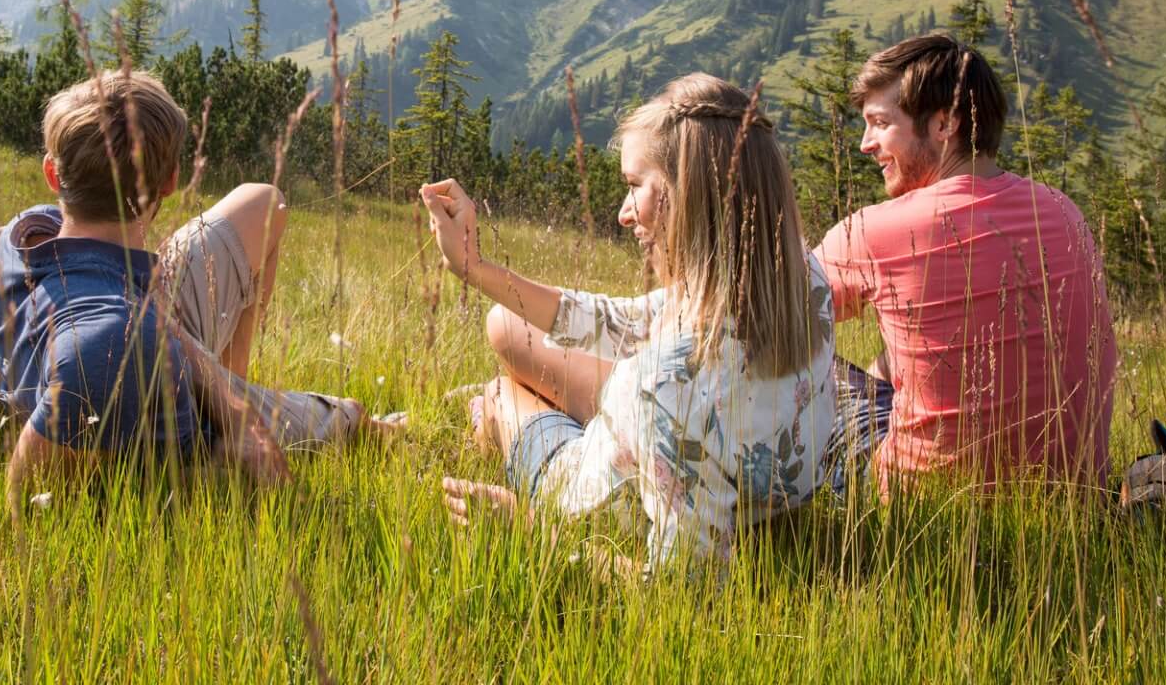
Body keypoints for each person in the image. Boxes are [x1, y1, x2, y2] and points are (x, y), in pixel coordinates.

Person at [422, 74, 836, 574]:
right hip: (730, 473)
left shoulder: (664, 385)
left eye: (635, 186)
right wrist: (474, 267)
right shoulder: (802, 282)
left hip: (595, 491)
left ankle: (484, 412)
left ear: (690, 196)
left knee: (500, 395)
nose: (622, 214)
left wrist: (525, 522)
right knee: (506, 325)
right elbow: (627, 321)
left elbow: (683, 586)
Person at [0, 71, 393, 511]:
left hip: (138, 313)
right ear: (171, 181)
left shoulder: (25, 233)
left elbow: (145, 321)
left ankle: (235, 380)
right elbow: (20, 497)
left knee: (265, 202)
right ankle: (368, 426)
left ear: (53, 174)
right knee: (347, 415)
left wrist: (232, 406)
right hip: (152, 374)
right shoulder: (114, 346)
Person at [817, 34, 1118, 493]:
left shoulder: (872, 232)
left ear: (945, 124)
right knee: (900, 357)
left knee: (814, 369)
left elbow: (763, 315)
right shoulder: (1062, 211)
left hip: (920, 510)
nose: (865, 144)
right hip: (1073, 502)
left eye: (880, 124)